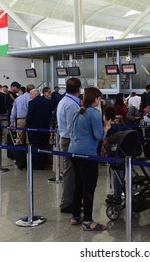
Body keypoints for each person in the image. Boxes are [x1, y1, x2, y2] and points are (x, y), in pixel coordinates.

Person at [68, 87, 111, 231]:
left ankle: (75, 216)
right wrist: (106, 128)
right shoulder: (94, 113)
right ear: (97, 99)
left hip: (73, 151)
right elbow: (99, 136)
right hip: (87, 153)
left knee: (78, 184)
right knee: (89, 187)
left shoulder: (78, 111)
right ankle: (87, 221)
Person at [56, 78, 81, 213]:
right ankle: (67, 202)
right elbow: (73, 127)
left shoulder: (64, 101)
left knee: (71, 172)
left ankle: (71, 200)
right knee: (70, 173)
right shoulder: (71, 104)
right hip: (70, 140)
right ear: (79, 89)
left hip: (66, 138)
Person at [26, 89, 53, 170]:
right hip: (45, 128)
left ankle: (38, 165)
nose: (30, 96)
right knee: (44, 145)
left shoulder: (32, 103)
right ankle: (44, 163)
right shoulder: (48, 102)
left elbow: (29, 115)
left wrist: (28, 125)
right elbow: (50, 115)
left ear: (34, 94)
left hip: (34, 129)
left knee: (35, 145)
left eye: (31, 95)